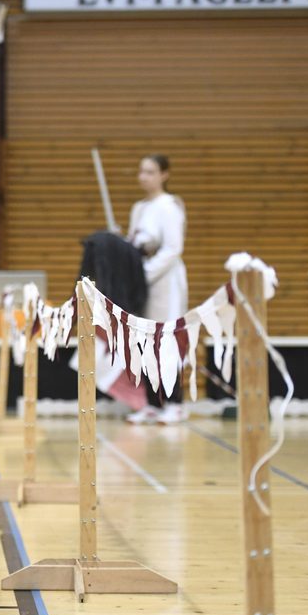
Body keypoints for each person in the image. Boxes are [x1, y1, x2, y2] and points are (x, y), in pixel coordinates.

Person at [125, 154, 188, 425]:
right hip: (143, 284)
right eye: (141, 171)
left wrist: (144, 274)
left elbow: (172, 248)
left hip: (166, 282)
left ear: (164, 174)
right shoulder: (138, 208)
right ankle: (151, 402)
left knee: (167, 340)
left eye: (150, 172)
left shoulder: (169, 206)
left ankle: (174, 403)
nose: (144, 177)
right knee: (144, 340)